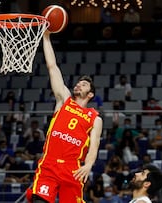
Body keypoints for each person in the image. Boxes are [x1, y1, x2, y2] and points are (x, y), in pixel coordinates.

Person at [27, 31, 103, 203]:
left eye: (83, 84)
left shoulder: (95, 118)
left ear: (90, 94)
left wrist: (89, 164)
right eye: (78, 82)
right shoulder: (64, 100)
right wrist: (46, 38)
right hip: (50, 164)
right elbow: (52, 67)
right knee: (39, 200)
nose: (78, 84)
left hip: (72, 169)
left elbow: (94, 146)